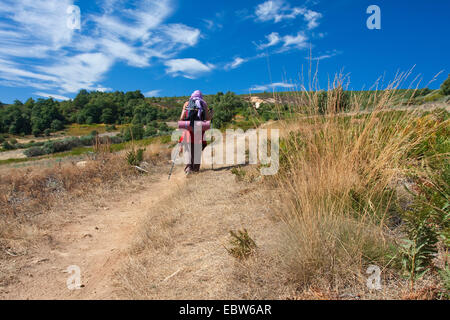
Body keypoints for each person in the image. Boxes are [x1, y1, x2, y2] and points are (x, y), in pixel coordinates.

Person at [179, 90, 212, 174]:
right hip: (199, 129)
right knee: (197, 150)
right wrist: (211, 113)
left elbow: (182, 118)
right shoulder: (203, 104)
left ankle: (188, 169)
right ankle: (195, 170)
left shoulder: (187, 103)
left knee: (188, 149)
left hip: (188, 129)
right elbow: (207, 118)